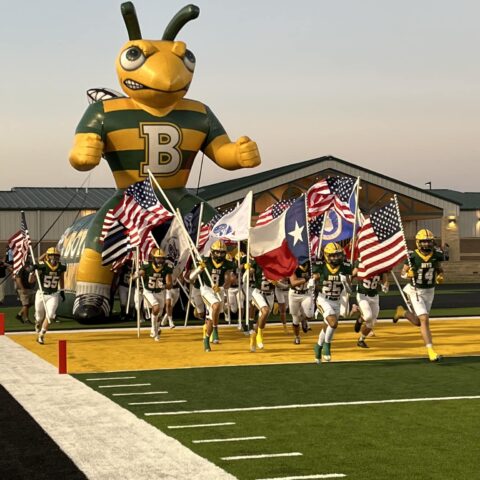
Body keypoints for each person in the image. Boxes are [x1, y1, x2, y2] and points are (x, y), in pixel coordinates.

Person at [393, 229, 444, 362]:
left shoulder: (437, 254)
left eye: (428, 241)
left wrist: (440, 276)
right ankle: (430, 351)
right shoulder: (412, 256)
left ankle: (402, 312)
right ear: (418, 243)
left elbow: (439, 268)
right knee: (424, 319)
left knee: (418, 321)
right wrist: (407, 274)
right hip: (415, 290)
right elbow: (402, 274)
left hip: (430, 291)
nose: (426, 244)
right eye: (424, 241)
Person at [189, 240, 235, 352]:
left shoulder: (228, 264)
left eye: (221, 252)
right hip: (206, 290)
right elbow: (191, 278)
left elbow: (229, 281)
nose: (219, 255)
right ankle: (215, 330)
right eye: (217, 252)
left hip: (219, 291)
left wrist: (222, 288)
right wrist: (200, 268)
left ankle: (206, 339)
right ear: (212, 252)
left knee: (210, 319)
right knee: (215, 305)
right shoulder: (206, 261)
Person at [312, 242, 353, 363]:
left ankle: (318, 346)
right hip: (323, 299)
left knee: (327, 326)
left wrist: (345, 282)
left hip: (337, 300)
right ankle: (327, 345)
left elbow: (349, 290)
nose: (336, 258)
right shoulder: (320, 266)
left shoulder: (345, 266)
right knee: (333, 323)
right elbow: (315, 278)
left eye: (338, 255)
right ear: (326, 256)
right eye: (333, 256)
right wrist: (312, 280)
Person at [135, 248, 172, 341]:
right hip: (149, 291)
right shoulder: (147, 266)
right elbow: (141, 273)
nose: (160, 260)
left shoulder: (167, 268)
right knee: (156, 307)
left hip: (160, 292)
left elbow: (169, 284)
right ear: (153, 258)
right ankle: (153, 329)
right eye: (158, 258)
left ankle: (156, 330)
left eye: (162, 258)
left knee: (159, 314)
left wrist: (164, 286)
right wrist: (137, 275)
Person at [31, 248, 66, 344]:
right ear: (47, 256)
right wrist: (32, 271)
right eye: (51, 255)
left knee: (50, 315)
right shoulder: (43, 265)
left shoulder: (61, 267)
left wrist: (62, 290)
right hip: (41, 294)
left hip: (53, 295)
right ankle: (37, 322)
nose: (54, 258)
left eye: (56, 256)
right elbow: (31, 279)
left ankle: (41, 335)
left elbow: (61, 279)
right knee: (39, 317)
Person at [352, 266, 390, 348]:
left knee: (372, 321)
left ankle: (361, 340)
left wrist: (385, 286)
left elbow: (385, 281)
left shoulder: (380, 266)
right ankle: (361, 318)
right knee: (368, 316)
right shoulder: (362, 263)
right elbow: (352, 275)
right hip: (363, 295)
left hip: (374, 296)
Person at [243, 259, 275, 352]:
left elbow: (282, 284)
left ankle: (253, 336)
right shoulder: (257, 263)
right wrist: (247, 271)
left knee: (261, 320)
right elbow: (244, 279)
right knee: (265, 311)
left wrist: (277, 283)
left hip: (270, 295)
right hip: (258, 293)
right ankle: (259, 335)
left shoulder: (276, 264)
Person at [288, 261, 315, 345]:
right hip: (294, 294)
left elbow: (318, 274)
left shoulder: (310, 264)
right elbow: (293, 283)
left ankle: (304, 319)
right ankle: (297, 337)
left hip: (306, 293)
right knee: (295, 319)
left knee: (310, 315)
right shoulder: (292, 266)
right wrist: (306, 279)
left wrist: (314, 278)